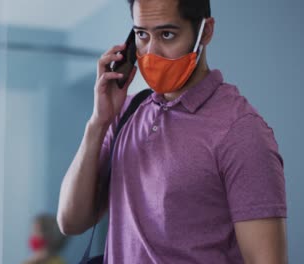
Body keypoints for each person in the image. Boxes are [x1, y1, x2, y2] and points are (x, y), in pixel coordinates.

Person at [57, 0, 288, 263]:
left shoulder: (241, 131)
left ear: (206, 32)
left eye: (167, 34)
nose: (151, 52)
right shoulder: (126, 112)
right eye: (142, 35)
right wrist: (98, 122)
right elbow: (70, 221)